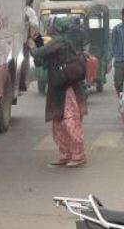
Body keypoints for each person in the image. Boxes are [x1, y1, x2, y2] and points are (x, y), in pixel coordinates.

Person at [32, 17, 87, 167]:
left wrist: (30, 46)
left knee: (70, 122)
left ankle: (77, 155)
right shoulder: (58, 42)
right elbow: (43, 57)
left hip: (66, 88)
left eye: (50, 25)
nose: (48, 28)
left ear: (55, 28)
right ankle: (66, 154)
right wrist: (37, 39)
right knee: (58, 124)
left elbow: (39, 53)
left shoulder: (59, 41)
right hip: (58, 88)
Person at [20, 0, 40, 92]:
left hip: (25, 41)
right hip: (19, 39)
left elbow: (34, 28)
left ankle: (23, 82)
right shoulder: (20, 9)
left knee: (24, 62)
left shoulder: (30, 12)